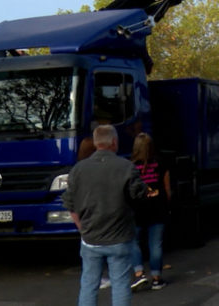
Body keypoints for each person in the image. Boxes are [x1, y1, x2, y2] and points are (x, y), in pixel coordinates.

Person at [62, 125, 152, 306]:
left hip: (90, 238)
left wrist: (82, 228)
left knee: (88, 284)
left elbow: (70, 204)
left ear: (96, 143)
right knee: (120, 284)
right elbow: (139, 197)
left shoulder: (78, 170)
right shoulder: (126, 167)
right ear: (114, 142)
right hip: (119, 237)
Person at [129, 132, 171, 292]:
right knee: (155, 244)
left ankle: (139, 273)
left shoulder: (130, 166)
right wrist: (166, 204)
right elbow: (167, 189)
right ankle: (156, 278)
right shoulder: (161, 163)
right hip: (157, 208)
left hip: (137, 209)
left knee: (133, 242)